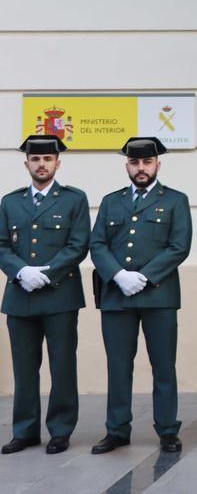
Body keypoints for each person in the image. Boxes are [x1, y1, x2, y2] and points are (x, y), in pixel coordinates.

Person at [89, 137, 192, 454]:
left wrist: (144, 277)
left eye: (147, 162)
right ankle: (117, 430)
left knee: (164, 366)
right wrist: (119, 275)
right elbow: (98, 244)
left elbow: (179, 246)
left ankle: (167, 430)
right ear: (127, 167)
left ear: (157, 165)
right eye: (135, 163)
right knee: (118, 366)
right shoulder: (110, 201)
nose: (141, 168)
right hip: (117, 296)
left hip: (158, 296)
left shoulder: (175, 200)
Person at [0, 136, 89, 455]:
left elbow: (78, 245)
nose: (41, 164)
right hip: (20, 294)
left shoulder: (74, 199)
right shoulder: (10, 202)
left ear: (57, 164)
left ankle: (61, 430)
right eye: (35, 159)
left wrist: (46, 273)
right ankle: (24, 430)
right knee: (24, 367)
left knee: (62, 364)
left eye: (47, 159)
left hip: (59, 295)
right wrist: (22, 271)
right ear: (27, 164)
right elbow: (2, 245)